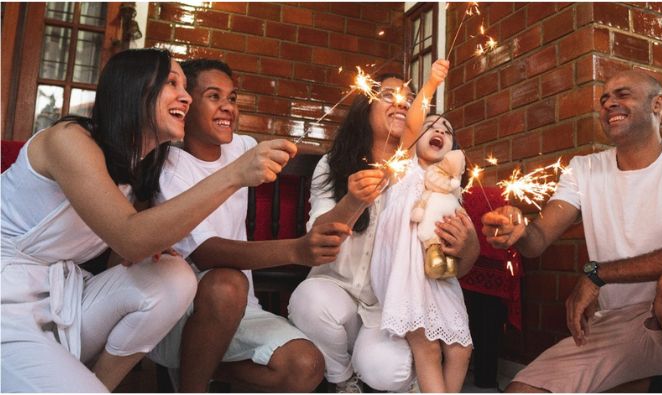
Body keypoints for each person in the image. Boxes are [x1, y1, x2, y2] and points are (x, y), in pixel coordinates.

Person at [1, 48, 296, 392]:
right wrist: (235, 174)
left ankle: (100, 384)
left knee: (173, 275)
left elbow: (123, 252)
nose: (185, 97)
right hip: (7, 300)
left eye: (186, 87)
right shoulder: (68, 140)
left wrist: (149, 246)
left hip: (63, 296)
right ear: (134, 88)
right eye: (172, 83)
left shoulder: (140, 166)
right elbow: (130, 238)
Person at [481, 70, 662, 393]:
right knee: (521, 391)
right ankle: (649, 381)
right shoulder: (584, 169)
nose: (610, 104)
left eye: (623, 94)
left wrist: (598, 274)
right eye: (604, 99)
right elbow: (537, 240)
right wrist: (519, 231)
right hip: (619, 325)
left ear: (657, 104)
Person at [147, 58, 350, 392]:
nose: (228, 107)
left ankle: (197, 365)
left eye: (233, 98)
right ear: (186, 104)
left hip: (241, 310)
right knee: (227, 283)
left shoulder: (239, 148)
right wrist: (296, 249)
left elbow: (286, 152)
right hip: (180, 312)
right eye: (214, 96)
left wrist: (343, 158)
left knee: (307, 365)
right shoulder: (170, 167)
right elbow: (206, 254)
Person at [288, 67, 480, 392]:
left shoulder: (417, 175)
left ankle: (381, 372)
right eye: (388, 95)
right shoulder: (333, 165)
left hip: (386, 304)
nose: (400, 104)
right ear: (365, 107)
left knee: (389, 370)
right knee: (309, 301)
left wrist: (469, 243)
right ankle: (343, 380)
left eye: (408, 99)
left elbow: (450, 263)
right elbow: (318, 238)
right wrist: (352, 200)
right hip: (337, 293)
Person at [370, 82, 474, 393]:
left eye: (447, 129)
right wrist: (431, 83)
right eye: (430, 125)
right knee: (427, 349)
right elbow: (412, 125)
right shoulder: (405, 169)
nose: (439, 129)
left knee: (461, 349)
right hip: (408, 275)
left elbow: (462, 238)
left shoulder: (453, 189)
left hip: (442, 277)